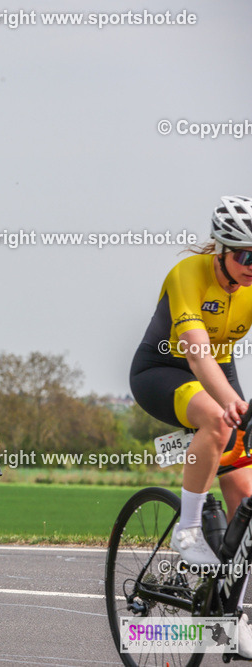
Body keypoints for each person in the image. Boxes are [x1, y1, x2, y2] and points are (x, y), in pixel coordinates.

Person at [130, 196, 252, 656]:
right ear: (220, 249)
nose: (251, 265)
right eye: (244, 255)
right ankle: (187, 527)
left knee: (247, 503)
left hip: (221, 372)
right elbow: (197, 354)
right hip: (164, 372)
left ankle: (227, 617)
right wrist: (235, 406)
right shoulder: (189, 275)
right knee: (220, 421)